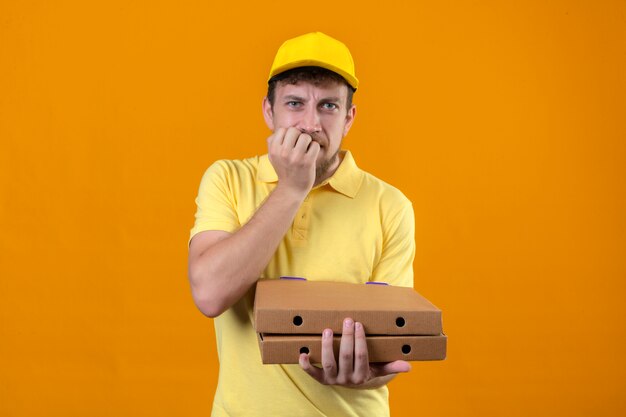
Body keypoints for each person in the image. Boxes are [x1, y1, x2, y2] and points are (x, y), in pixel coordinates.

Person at [188, 32, 416, 417]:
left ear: (349, 117)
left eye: (328, 105)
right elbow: (209, 293)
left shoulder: (390, 205)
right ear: (268, 111)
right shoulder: (227, 179)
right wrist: (292, 188)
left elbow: (391, 351)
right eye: (295, 103)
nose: (310, 123)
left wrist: (362, 373)